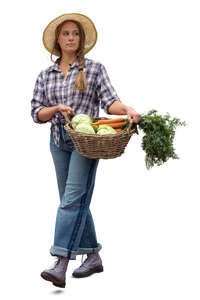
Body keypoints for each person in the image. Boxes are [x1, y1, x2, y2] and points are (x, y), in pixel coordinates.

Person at [31, 13, 141, 288]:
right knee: (73, 201)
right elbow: (36, 112)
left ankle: (60, 262)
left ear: (81, 40)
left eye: (75, 34)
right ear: (58, 39)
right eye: (66, 33)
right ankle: (93, 256)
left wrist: (126, 109)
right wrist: (56, 109)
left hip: (86, 143)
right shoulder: (46, 74)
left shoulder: (93, 69)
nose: (71, 38)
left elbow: (109, 101)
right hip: (58, 141)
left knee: (71, 201)